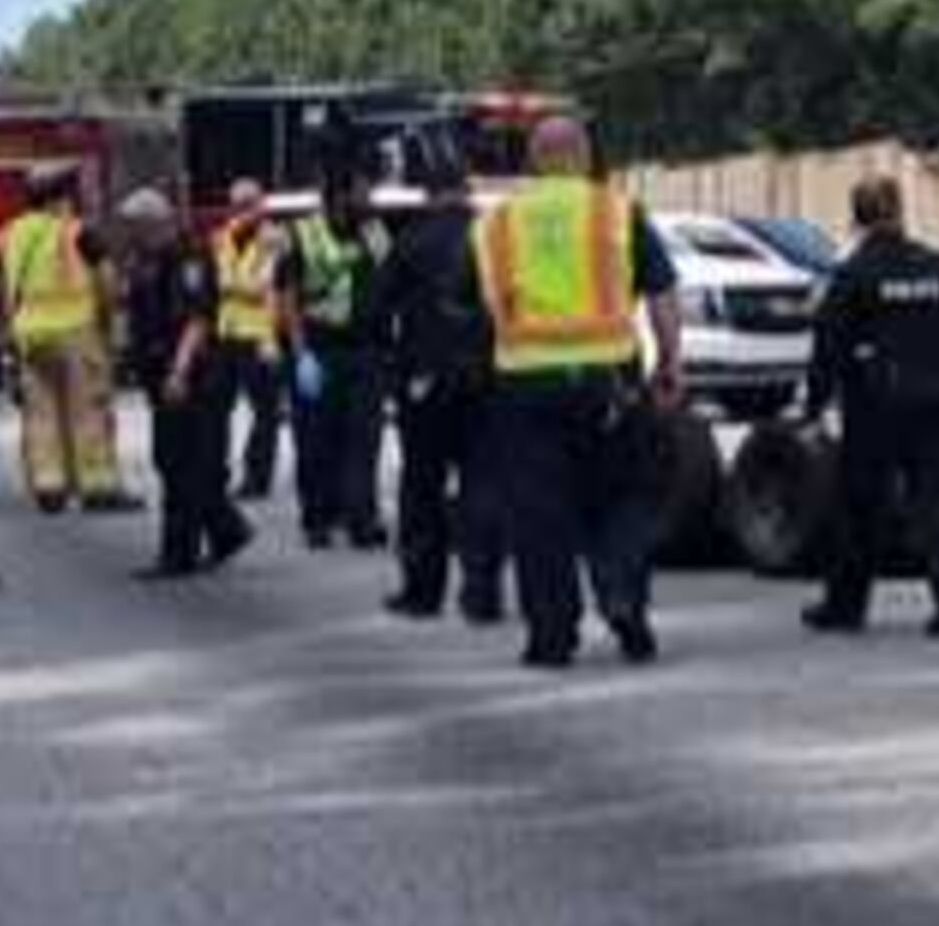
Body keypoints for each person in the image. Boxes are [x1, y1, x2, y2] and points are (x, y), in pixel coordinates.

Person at [475, 117, 683, 669]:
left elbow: (469, 307)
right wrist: (670, 363)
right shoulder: (616, 210)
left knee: (539, 516)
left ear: (534, 159)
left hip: (525, 387)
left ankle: (551, 636)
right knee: (622, 499)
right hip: (608, 381)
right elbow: (662, 291)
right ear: (585, 154)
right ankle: (622, 597)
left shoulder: (498, 223)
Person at [801, 177, 939, 640]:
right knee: (938, 503)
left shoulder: (852, 273)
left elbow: (828, 346)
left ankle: (844, 606)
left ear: (856, 218)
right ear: (899, 211)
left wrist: (813, 406)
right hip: (933, 400)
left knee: (860, 508)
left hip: (875, 407)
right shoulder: (929, 263)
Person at [367, 144, 504, 624]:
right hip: (487, 376)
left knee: (423, 485)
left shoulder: (411, 240)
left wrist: (392, 366)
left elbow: (376, 311)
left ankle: (423, 591)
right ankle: (482, 591)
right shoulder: (493, 236)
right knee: (483, 482)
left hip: (425, 381)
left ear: (426, 191)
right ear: (466, 188)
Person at [123, 189, 254, 579]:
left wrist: (179, 372)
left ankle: (177, 554)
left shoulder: (189, 259)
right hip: (166, 378)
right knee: (177, 463)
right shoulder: (149, 260)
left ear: (155, 223)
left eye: (135, 228)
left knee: (182, 468)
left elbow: (196, 321)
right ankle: (227, 531)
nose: (131, 235)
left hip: (196, 379)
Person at [0, 164, 136, 515]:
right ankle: (97, 483)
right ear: (60, 199)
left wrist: (4, 330)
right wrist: (110, 320)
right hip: (74, 330)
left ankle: (49, 485)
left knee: (41, 412)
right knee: (88, 408)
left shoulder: (9, 233)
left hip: (29, 334)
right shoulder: (79, 232)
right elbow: (107, 282)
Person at [283, 168, 392, 550]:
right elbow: (290, 296)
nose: (371, 199)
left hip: (367, 350)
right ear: (340, 195)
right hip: (320, 348)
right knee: (316, 438)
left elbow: (389, 285)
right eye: (364, 192)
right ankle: (318, 518)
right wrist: (300, 356)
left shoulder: (376, 231)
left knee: (365, 438)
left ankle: (362, 517)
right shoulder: (304, 232)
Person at [212, 179, 290, 503]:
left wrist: (234, 288)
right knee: (218, 409)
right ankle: (217, 472)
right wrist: (235, 288)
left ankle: (256, 477)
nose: (243, 209)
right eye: (238, 203)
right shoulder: (221, 236)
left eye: (249, 203)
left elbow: (266, 285)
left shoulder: (276, 239)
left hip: (261, 335)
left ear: (261, 205)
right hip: (227, 331)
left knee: (265, 412)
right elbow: (218, 282)